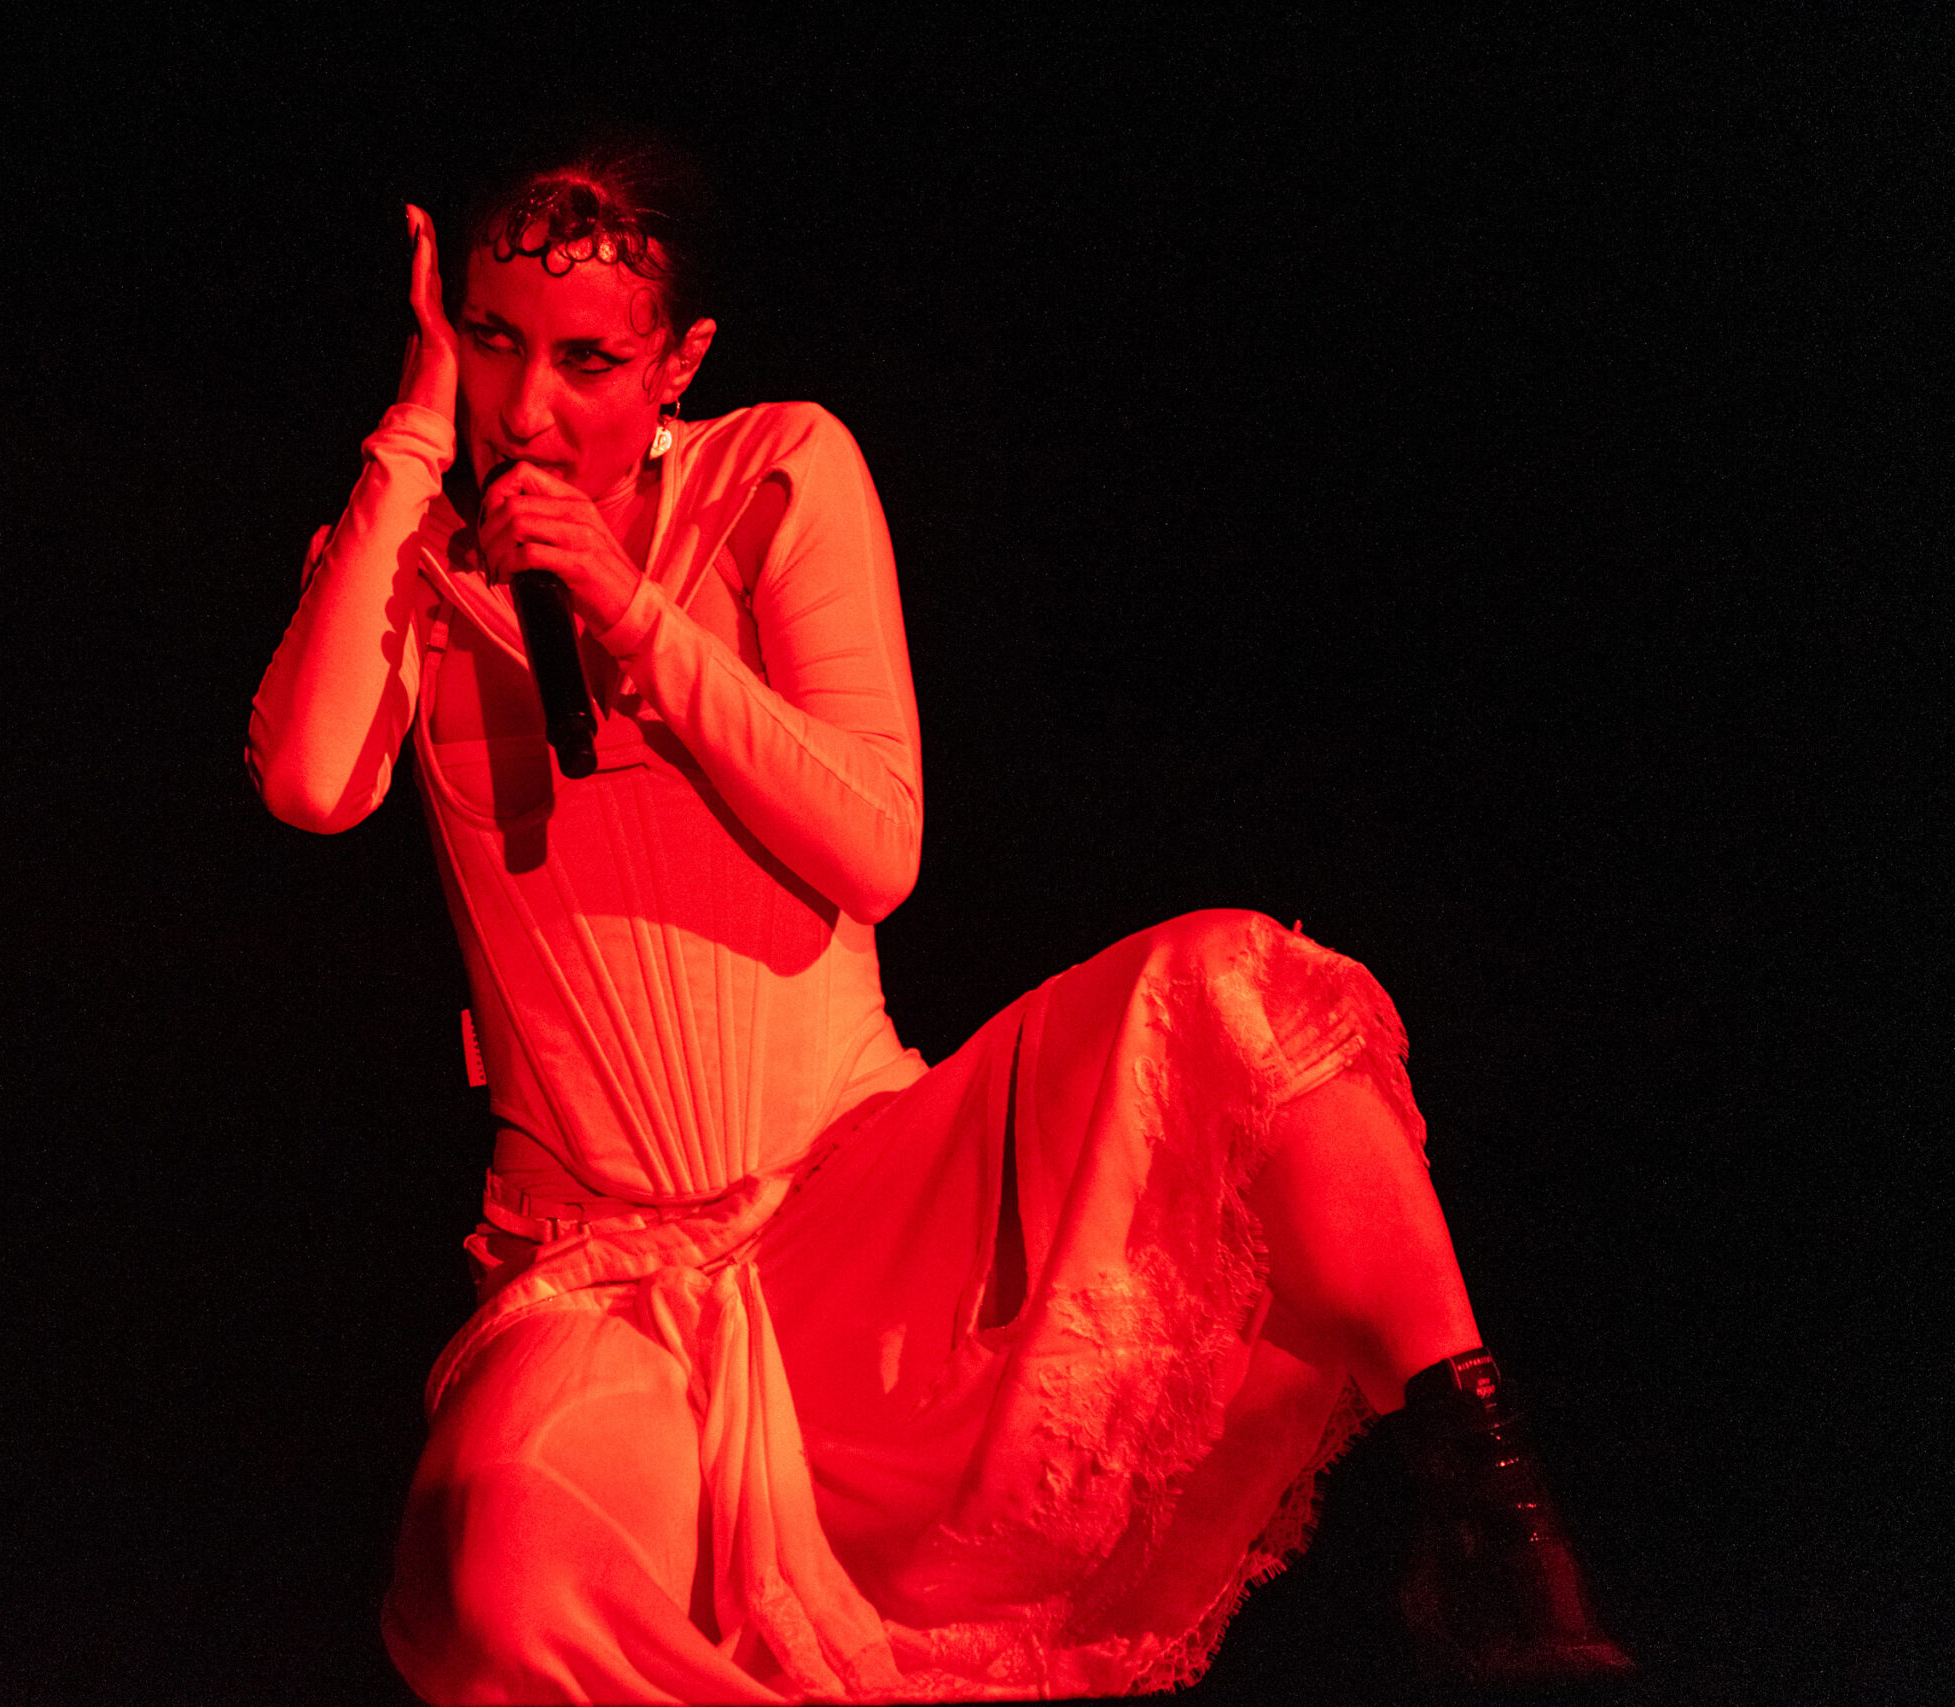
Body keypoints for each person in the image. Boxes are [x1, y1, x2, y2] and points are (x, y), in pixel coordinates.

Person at [248, 133, 1631, 1703]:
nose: (527, 408)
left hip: (853, 1205)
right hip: (596, 1269)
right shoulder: (410, 558)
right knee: (506, 1587)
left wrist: (635, 617)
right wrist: (407, 441)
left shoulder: (778, 472)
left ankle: (1496, 1516)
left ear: (680, 361)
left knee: (1234, 984)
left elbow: (876, 849)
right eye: (493, 344)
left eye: (587, 361)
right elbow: (309, 781)